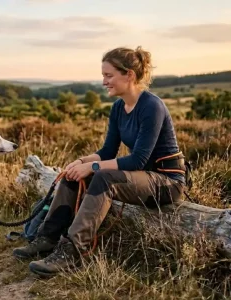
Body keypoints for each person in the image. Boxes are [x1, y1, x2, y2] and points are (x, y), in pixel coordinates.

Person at [12, 46, 187, 278]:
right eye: (103, 75)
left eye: (109, 75)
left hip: (167, 182)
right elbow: (107, 151)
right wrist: (80, 162)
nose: (104, 81)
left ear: (129, 75)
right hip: (141, 177)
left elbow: (138, 160)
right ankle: (46, 238)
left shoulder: (152, 106)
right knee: (75, 173)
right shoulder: (118, 107)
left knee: (104, 177)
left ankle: (74, 251)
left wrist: (93, 167)